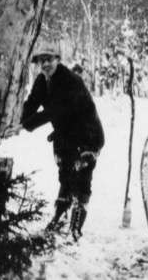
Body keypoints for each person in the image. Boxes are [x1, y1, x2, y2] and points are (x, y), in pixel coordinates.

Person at [20, 41, 104, 240]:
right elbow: (32, 103)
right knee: (65, 174)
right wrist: (21, 119)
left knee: (82, 178)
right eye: (41, 62)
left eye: (49, 60)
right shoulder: (42, 80)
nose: (45, 65)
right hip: (65, 135)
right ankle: (59, 216)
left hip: (87, 135)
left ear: (58, 60)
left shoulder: (70, 81)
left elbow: (54, 111)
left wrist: (28, 125)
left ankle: (76, 227)